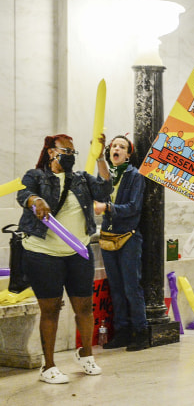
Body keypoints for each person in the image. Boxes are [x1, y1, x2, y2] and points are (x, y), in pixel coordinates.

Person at [17, 134, 112, 384]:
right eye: (65, 151)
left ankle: (86, 354)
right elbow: (23, 193)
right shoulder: (36, 176)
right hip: (43, 254)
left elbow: (104, 189)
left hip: (78, 252)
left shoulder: (80, 179)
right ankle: (48, 365)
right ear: (51, 151)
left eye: (73, 152)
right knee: (50, 310)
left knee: (84, 307)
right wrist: (36, 200)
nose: (69, 156)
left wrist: (101, 157)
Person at [94, 135, 150, 351]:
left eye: (122, 146)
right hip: (108, 237)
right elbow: (100, 179)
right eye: (114, 146)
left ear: (128, 154)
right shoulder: (108, 176)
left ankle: (141, 332)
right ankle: (123, 332)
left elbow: (134, 207)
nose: (117, 149)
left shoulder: (135, 176)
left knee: (131, 287)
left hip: (128, 237)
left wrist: (108, 208)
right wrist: (98, 155)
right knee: (116, 288)